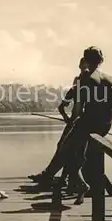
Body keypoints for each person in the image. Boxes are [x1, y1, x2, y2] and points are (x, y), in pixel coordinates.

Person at [38, 46, 112, 205]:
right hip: (105, 126)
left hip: (87, 124)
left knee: (64, 151)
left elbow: (79, 109)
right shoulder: (111, 80)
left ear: (86, 60)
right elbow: (109, 108)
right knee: (77, 156)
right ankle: (74, 183)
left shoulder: (85, 79)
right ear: (102, 61)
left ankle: (81, 185)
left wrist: (73, 124)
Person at [28, 57, 89, 187]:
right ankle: (54, 177)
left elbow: (62, 108)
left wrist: (68, 118)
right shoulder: (75, 90)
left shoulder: (84, 89)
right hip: (74, 124)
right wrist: (67, 119)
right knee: (63, 148)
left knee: (66, 150)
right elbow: (62, 107)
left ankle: (56, 177)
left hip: (78, 125)